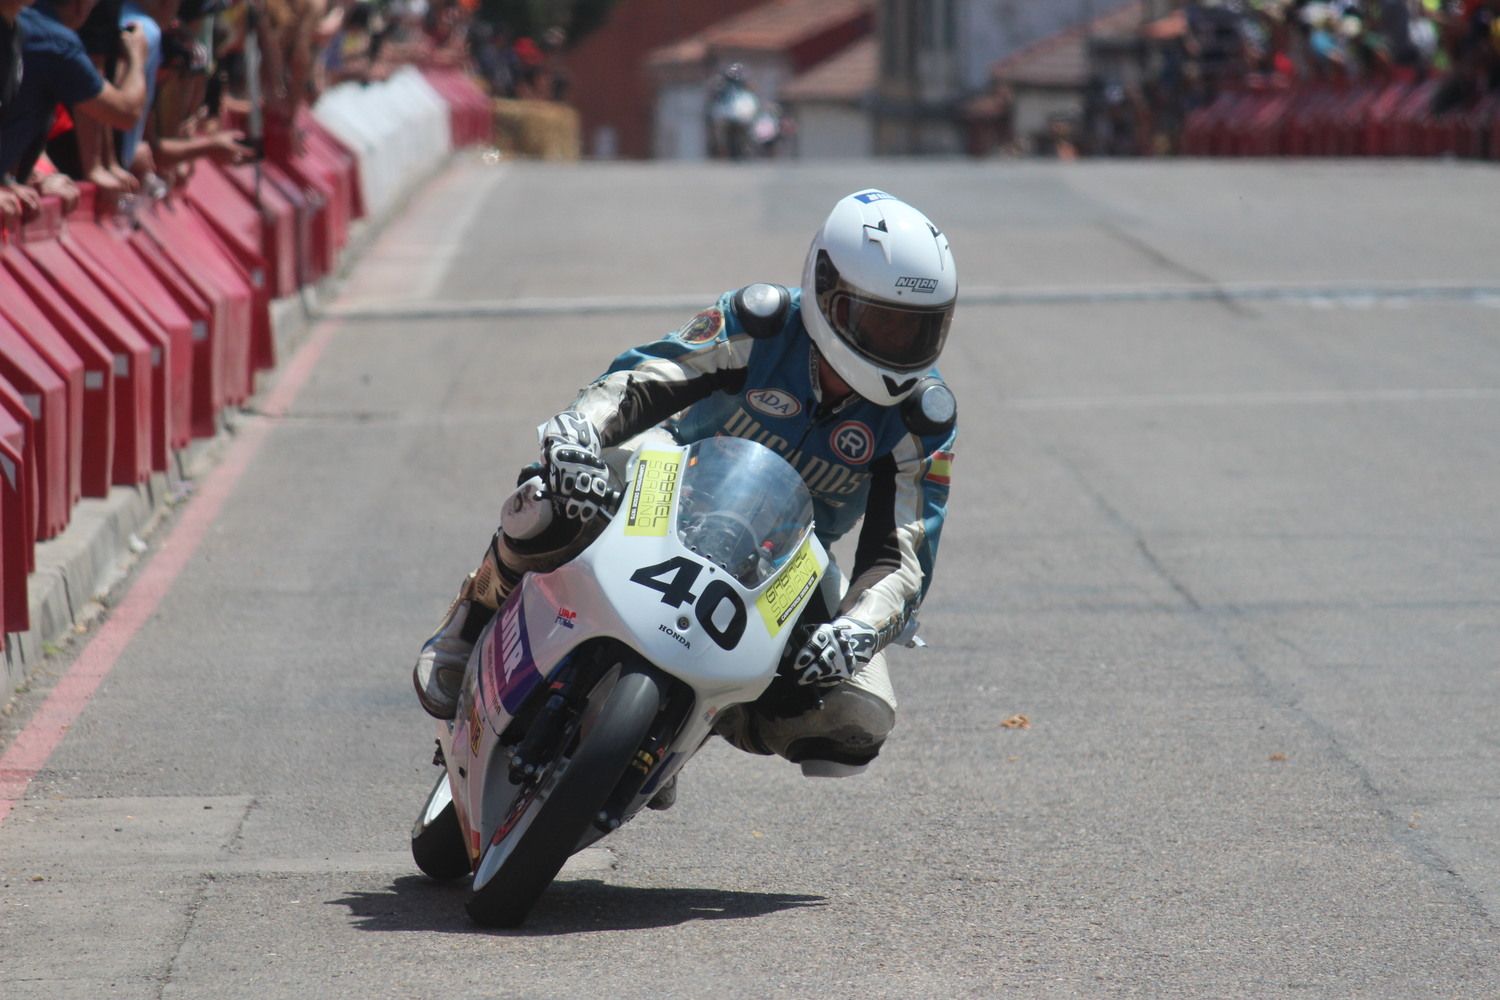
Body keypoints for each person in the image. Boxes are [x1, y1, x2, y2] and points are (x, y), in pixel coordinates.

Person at [414, 189, 959, 783]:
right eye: (880, 322)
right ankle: (470, 620)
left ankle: (682, 723)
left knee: (857, 717)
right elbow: (647, 375)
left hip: (789, 559)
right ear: (827, 290)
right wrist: (576, 436)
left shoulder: (921, 417)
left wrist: (854, 634)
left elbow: (901, 555)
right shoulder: (763, 321)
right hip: (668, 484)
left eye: (915, 332)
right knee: (552, 501)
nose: (896, 347)